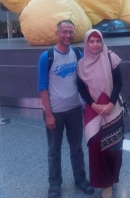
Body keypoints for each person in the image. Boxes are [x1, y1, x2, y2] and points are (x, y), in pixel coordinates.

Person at [38, 19, 94, 198]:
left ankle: (80, 178)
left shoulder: (77, 54)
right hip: (55, 111)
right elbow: (42, 87)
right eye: (64, 32)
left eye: (71, 32)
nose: (68, 35)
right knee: (54, 150)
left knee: (76, 148)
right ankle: (54, 183)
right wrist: (48, 114)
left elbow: (90, 72)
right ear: (57, 33)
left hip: (75, 109)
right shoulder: (47, 56)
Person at [77, 29, 123, 198]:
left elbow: (119, 83)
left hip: (112, 109)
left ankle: (112, 177)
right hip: (93, 111)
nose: (95, 45)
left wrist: (110, 104)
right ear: (86, 43)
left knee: (114, 147)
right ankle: (105, 183)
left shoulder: (111, 57)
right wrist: (93, 105)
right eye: (91, 41)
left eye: (98, 41)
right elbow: (81, 88)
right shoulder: (81, 65)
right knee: (96, 146)